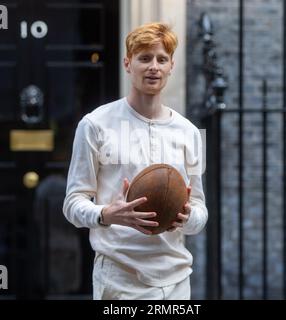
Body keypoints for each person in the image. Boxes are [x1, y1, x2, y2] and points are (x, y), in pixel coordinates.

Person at [63, 22, 208, 300]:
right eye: (144, 58)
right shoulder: (94, 124)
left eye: (161, 59)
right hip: (120, 279)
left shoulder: (190, 132)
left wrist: (187, 217)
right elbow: (72, 203)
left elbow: (200, 210)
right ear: (128, 64)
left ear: (171, 66)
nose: (154, 66)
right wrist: (106, 214)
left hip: (177, 279)